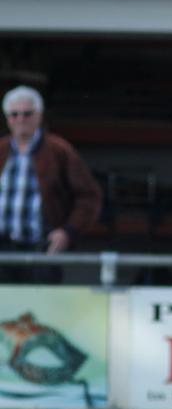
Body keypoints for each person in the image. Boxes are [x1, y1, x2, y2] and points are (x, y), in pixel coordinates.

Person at [0, 85, 101, 283]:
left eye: (27, 114)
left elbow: (89, 197)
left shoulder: (59, 151)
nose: (21, 120)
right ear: (7, 118)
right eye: (14, 114)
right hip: (2, 251)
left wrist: (68, 231)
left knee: (40, 310)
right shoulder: (1, 150)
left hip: (42, 249)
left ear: (39, 115)